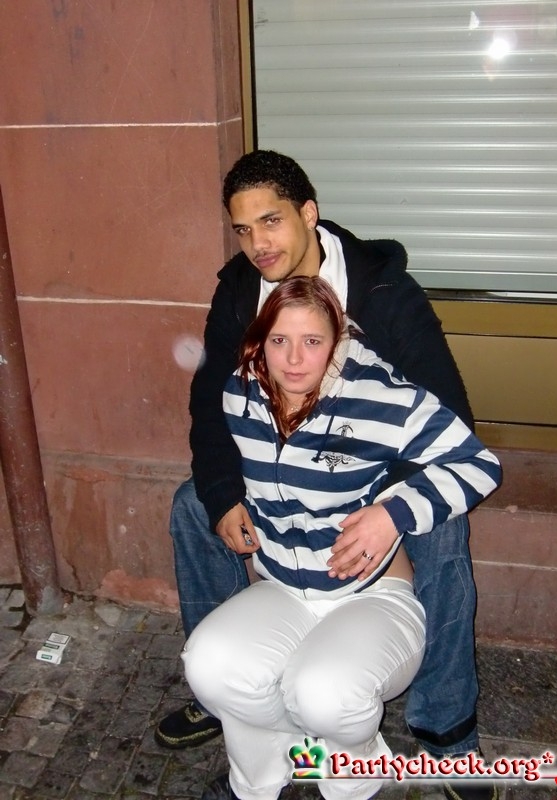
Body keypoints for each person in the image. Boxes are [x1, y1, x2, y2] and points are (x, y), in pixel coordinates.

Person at [156, 150, 498, 800]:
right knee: (191, 505)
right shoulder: (240, 290)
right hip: (277, 462)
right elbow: (209, 400)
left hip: (378, 469)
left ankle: (447, 727)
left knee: (442, 527)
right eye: (243, 229)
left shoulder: (383, 292)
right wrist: (225, 494)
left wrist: (378, 501)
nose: (259, 244)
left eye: (271, 221)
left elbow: (449, 417)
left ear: (308, 213)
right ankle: (229, 691)